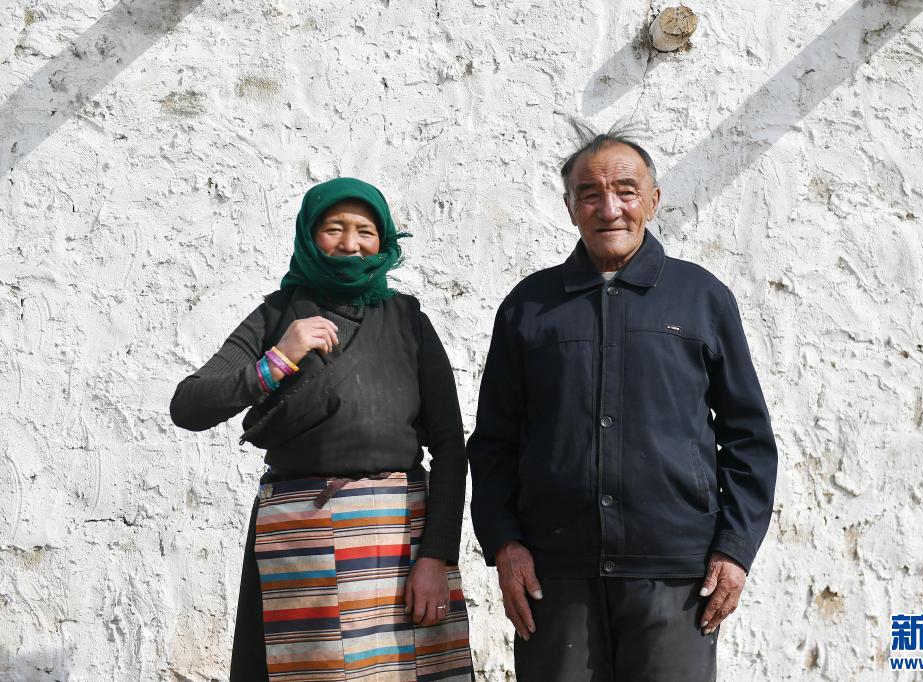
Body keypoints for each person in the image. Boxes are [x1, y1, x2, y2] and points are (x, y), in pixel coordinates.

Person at [467, 126, 778, 682]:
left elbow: (748, 438)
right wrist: (505, 545)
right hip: (554, 575)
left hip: (676, 575)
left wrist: (734, 550)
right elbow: (493, 442)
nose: (609, 209)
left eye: (626, 192)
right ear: (570, 207)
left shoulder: (701, 299)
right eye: (590, 194)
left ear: (653, 201)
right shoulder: (529, 307)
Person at [170, 178, 473, 681]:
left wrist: (436, 557)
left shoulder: (408, 321)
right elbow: (189, 406)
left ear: (384, 240)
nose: (351, 244)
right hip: (299, 540)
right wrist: (277, 360)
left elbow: (449, 447)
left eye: (365, 231)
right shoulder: (274, 316)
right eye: (334, 228)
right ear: (310, 236)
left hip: (399, 541)